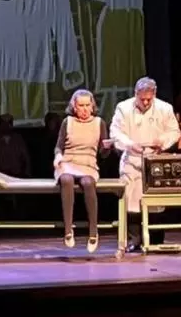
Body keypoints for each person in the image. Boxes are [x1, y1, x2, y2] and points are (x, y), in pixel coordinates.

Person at [110, 77, 181, 252]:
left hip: (155, 161)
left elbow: (174, 131)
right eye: (142, 99)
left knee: (155, 202)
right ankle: (134, 240)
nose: (146, 103)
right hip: (132, 161)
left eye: (149, 99)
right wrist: (129, 144)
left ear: (154, 94)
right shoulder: (123, 108)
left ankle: (155, 239)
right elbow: (115, 132)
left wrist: (162, 141)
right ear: (136, 94)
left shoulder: (165, 108)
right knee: (131, 201)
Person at [53, 89, 111, 253]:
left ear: (92, 106)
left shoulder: (99, 123)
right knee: (66, 179)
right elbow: (59, 146)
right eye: (81, 106)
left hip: (88, 163)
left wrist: (107, 148)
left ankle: (93, 231)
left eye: (87, 105)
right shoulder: (68, 122)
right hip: (68, 162)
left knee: (88, 182)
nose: (85, 109)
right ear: (74, 107)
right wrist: (58, 156)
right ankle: (68, 230)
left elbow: (103, 153)